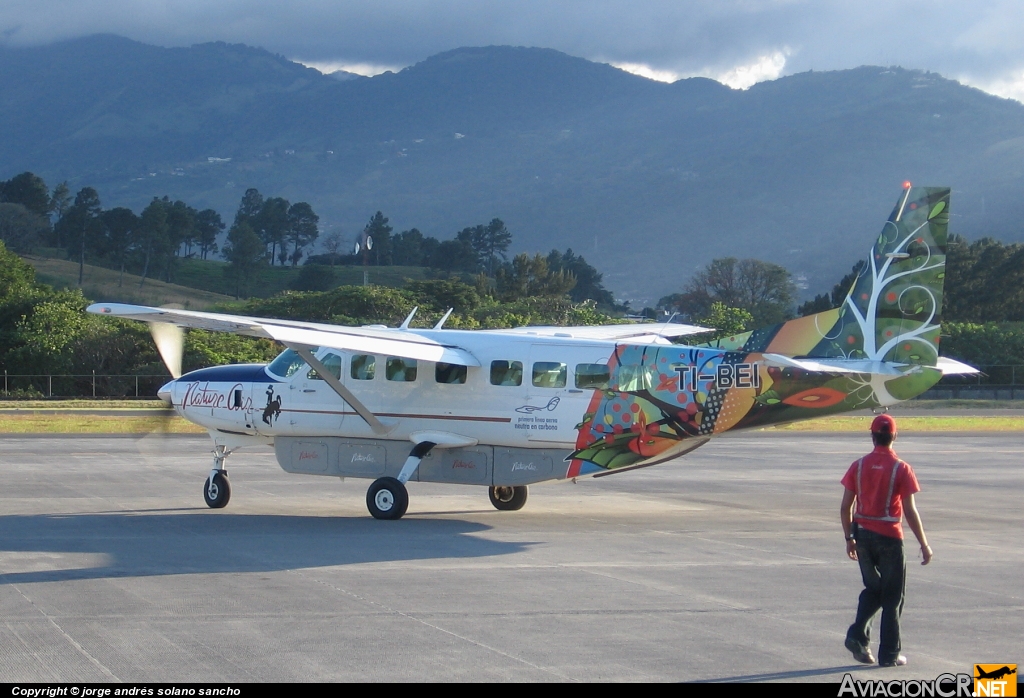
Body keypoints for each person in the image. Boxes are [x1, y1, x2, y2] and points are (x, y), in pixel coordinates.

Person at [840, 413, 932, 667]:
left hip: (863, 537)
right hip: (890, 537)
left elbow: (845, 506)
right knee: (893, 597)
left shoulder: (858, 466)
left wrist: (849, 538)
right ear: (894, 436)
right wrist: (924, 544)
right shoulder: (901, 468)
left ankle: (858, 636)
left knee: (874, 590)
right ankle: (889, 654)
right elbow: (910, 511)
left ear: (872, 436)